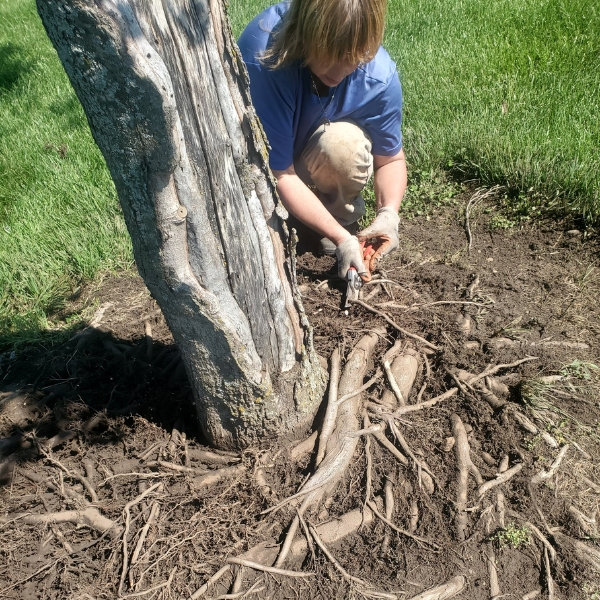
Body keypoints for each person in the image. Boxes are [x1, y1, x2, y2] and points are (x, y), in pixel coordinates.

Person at [238, 0, 406, 281]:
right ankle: (299, 223)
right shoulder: (265, 55)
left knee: (342, 146)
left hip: (305, 156)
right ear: (305, 33)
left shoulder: (378, 76)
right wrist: (342, 239)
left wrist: (389, 215)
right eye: (330, 55)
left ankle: (331, 219)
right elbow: (277, 171)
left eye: (354, 58)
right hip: (258, 164)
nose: (341, 71)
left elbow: (391, 159)